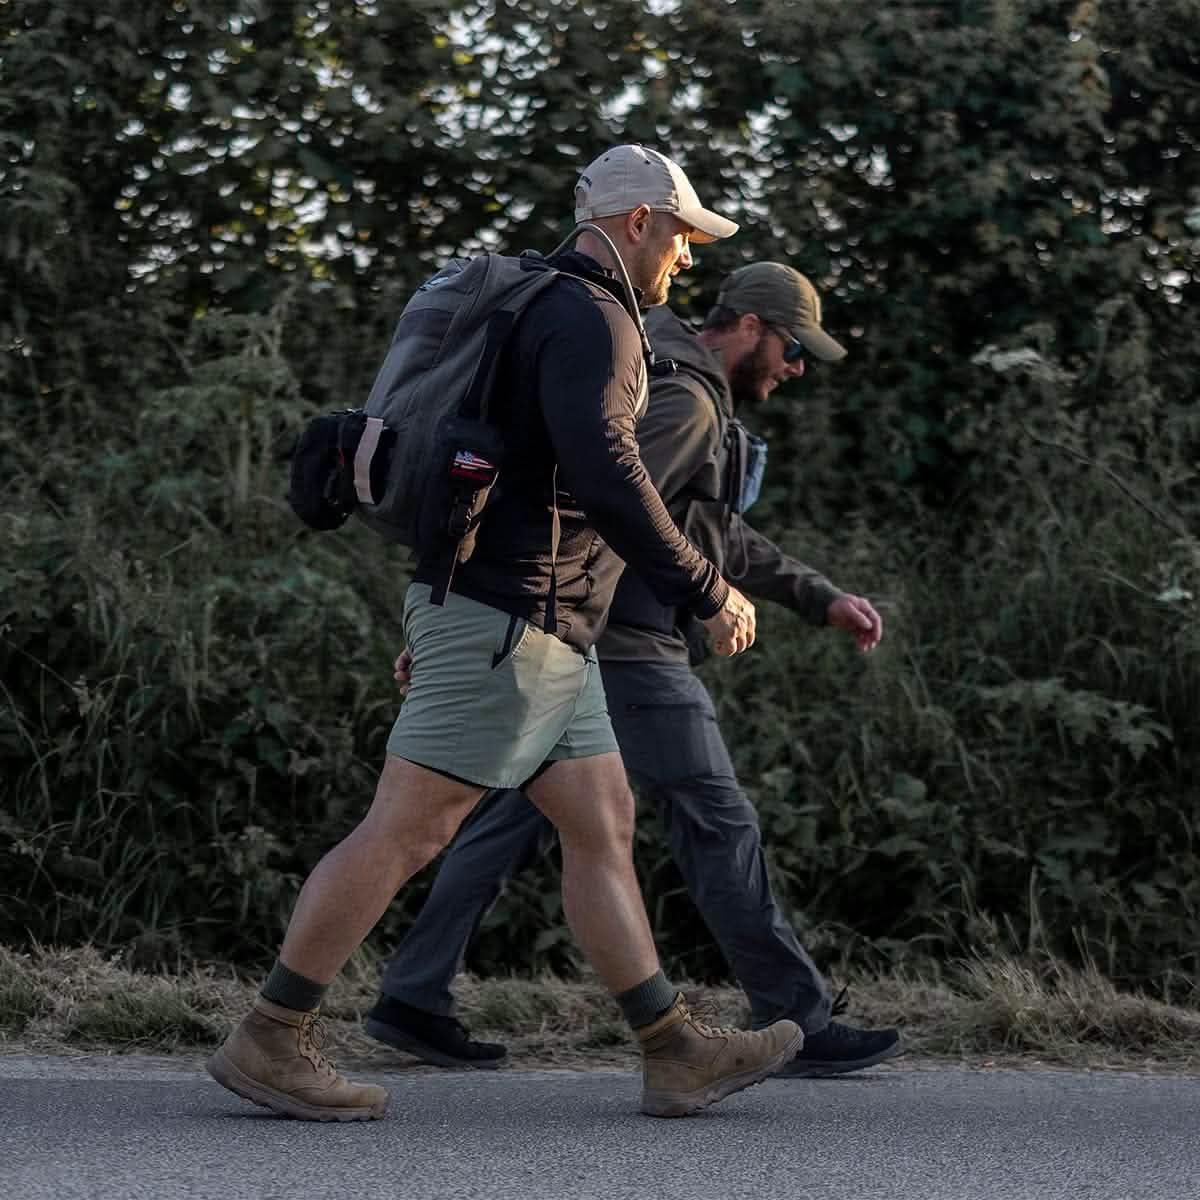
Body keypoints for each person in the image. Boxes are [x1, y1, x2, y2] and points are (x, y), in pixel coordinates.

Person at [206, 145, 806, 1123]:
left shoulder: (550, 305)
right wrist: (705, 586)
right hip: (510, 620)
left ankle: (672, 1048)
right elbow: (609, 474)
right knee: (410, 828)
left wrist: (451, 609)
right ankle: (271, 1034)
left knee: (601, 822)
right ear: (639, 221)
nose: (688, 260)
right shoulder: (595, 317)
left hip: (530, 624)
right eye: (685, 237)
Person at [365, 262, 902, 1077]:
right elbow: (609, 507)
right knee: (716, 817)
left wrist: (818, 596)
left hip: (573, 635)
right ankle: (796, 1012)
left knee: (510, 817)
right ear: (751, 327)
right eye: (793, 348)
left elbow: (703, 529)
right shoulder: (686, 398)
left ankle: (411, 994)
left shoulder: (666, 377)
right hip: (625, 647)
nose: (795, 368)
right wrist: (521, 614)